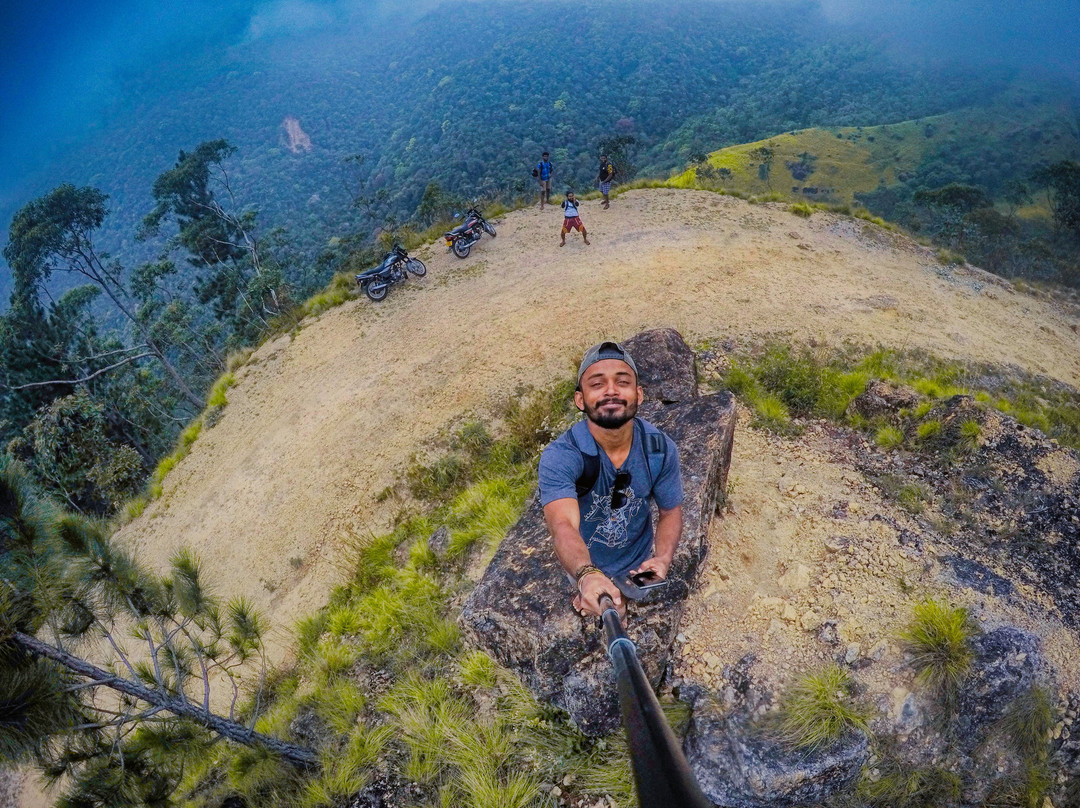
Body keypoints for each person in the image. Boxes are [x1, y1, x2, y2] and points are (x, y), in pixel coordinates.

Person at [539, 341, 684, 617]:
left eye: (622, 381)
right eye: (597, 384)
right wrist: (586, 576)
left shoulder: (660, 449)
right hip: (585, 561)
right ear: (580, 400)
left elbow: (670, 511)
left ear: (638, 394)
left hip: (637, 565)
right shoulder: (562, 456)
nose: (611, 390)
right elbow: (562, 524)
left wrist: (662, 558)